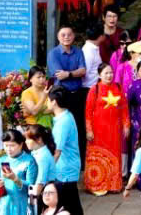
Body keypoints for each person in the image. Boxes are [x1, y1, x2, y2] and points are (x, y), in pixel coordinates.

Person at [83, 64, 128, 195]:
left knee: (114, 154)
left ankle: (113, 185)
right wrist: (89, 130)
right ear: (99, 75)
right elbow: (88, 112)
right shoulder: (94, 89)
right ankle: (97, 185)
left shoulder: (118, 87)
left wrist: (126, 125)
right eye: (106, 73)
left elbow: (124, 108)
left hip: (114, 129)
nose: (109, 75)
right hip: (98, 130)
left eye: (111, 73)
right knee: (97, 156)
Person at [47, 87, 82, 215]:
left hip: (65, 170)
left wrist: (48, 171)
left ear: (54, 102)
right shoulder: (66, 115)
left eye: (48, 100)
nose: (47, 102)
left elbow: (57, 151)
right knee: (72, 205)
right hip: (67, 167)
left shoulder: (63, 122)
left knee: (68, 206)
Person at [0, 129, 37, 215]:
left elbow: (31, 187)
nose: (8, 149)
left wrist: (15, 179)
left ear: (21, 144)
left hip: (22, 204)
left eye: (12, 145)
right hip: (5, 204)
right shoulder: (2, 160)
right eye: (6, 145)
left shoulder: (29, 160)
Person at [20, 126, 55, 199]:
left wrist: (33, 198)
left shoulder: (42, 157)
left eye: (28, 139)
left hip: (42, 193)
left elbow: (40, 180)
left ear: (39, 139)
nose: (26, 141)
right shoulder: (36, 152)